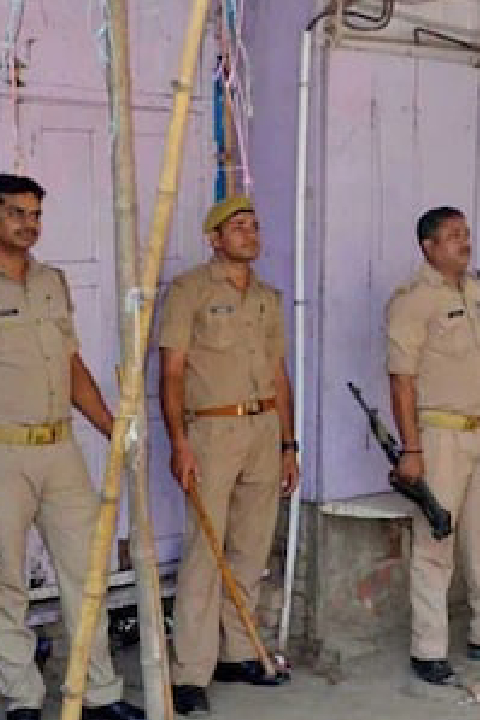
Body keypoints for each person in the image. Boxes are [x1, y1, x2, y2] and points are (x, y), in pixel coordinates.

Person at [0, 175, 145, 720]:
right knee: (6, 581)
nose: (29, 225)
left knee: (87, 573)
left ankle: (97, 692)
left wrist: (111, 427)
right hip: (5, 453)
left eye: (36, 214)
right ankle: (22, 697)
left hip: (60, 448)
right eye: (16, 213)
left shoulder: (52, 281)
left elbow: (71, 364)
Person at [159, 196, 298, 716]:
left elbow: (279, 374)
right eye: (238, 227)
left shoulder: (267, 297)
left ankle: (238, 652)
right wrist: (179, 442)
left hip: (264, 427)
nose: (250, 234)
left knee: (250, 549)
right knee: (205, 551)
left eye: (254, 226)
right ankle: (190, 673)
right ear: (214, 238)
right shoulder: (190, 290)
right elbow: (172, 372)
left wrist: (288, 444)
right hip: (213, 430)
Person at [385, 207, 480, 687]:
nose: (464, 243)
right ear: (428, 246)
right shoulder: (412, 301)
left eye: (466, 233)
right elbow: (401, 380)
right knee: (436, 541)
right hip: (439, 435)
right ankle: (428, 648)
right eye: (452, 236)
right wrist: (411, 449)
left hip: (479, 431)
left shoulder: (473, 290)